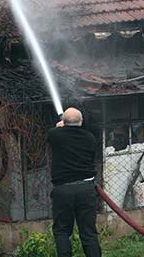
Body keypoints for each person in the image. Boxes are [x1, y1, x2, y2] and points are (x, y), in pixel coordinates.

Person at [47, 108, 101, 257]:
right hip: (86, 189)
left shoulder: (54, 135)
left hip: (63, 190)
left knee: (62, 231)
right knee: (89, 232)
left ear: (63, 122)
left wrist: (60, 127)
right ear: (81, 121)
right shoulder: (90, 138)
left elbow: (54, 135)